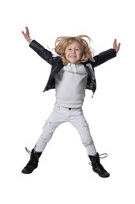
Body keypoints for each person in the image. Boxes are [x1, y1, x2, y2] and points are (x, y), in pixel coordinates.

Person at [21, 27, 120, 178]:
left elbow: (100, 58)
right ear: (64, 51)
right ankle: (33, 161)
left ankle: (96, 164)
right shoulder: (58, 62)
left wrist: (113, 51)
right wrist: (30, 41)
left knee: (87, 138)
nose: (73, 52)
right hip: (58, 110)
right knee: (45, 135)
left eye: (77, 50)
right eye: (69, 49)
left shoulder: (86, 65)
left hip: (76, 112)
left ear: (83, 52)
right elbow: (44, 54)